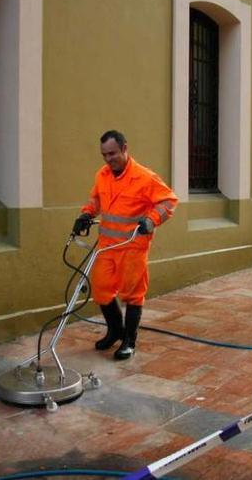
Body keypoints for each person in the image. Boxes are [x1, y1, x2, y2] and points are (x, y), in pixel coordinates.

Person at [72, 130, 178, 360]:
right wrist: (86, 214)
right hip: (107, 246)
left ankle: (129, 340)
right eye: (104, 155)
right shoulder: (102, 175)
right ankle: (115, 331)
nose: (108, 159)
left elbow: (169, 200)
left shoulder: (144, 177)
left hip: (133, 246)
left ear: (124, 148)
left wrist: (151, 220)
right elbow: (96, 199)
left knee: (133, 294)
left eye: (112, 153)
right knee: (100, 290)